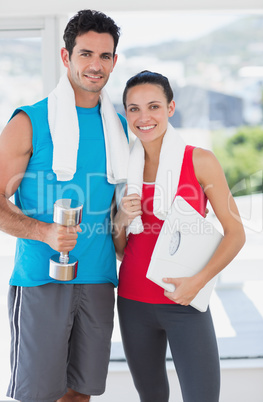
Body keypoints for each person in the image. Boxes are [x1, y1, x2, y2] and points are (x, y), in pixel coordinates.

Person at [0, 9, 129, 402]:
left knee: (81, 393)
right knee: (38, 395)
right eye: (86, 54)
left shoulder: (119, 126)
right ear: (65, 56)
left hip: (98, 278)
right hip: (42, 278)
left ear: (114, 62)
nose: (95, 65)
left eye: (104, 56)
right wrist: (42, 231)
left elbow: (117, 206)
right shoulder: (30, 120)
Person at [113, 70, 246, 402]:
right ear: (125, 112)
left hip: (185, 299)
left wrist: (198, 281)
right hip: (133, 302)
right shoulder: (121, 168)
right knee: (152, 397)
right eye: (134, 109)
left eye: (154, 106)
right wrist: (121, 220)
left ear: (171, 108)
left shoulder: (200, 161)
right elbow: (121, 249)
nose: (144, 117)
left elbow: (236, 234)